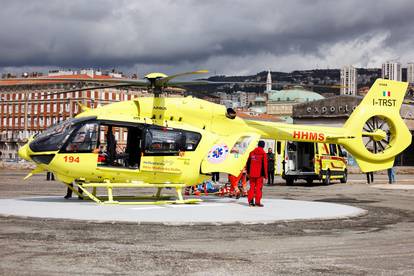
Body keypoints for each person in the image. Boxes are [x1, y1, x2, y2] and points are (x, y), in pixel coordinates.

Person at [246, 140, 268, 207]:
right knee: (258, 188)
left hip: (252, 174)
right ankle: (257, 202)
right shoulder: (263, 153)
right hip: (259, 175)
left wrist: (248, 172)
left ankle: (250, 202)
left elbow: (248, 163)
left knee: (252, 187)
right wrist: (266, 176)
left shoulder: (252, 152)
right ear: (263, 146)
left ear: (258, 145)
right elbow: (265, 165)